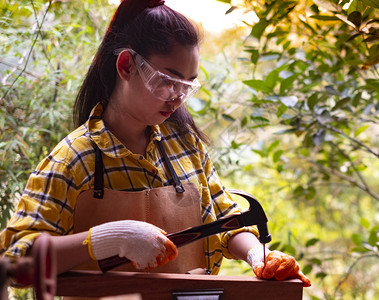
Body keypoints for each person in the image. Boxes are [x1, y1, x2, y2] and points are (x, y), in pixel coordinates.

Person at [0, 0, 310, 289]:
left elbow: (222, 219)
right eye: (168, 80)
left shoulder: (186, 146)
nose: (177, 97)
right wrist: (108, 239)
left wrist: (258, 255)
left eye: (187, 85)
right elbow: (16, 261)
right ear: (126, 66)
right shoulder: (74, 159)